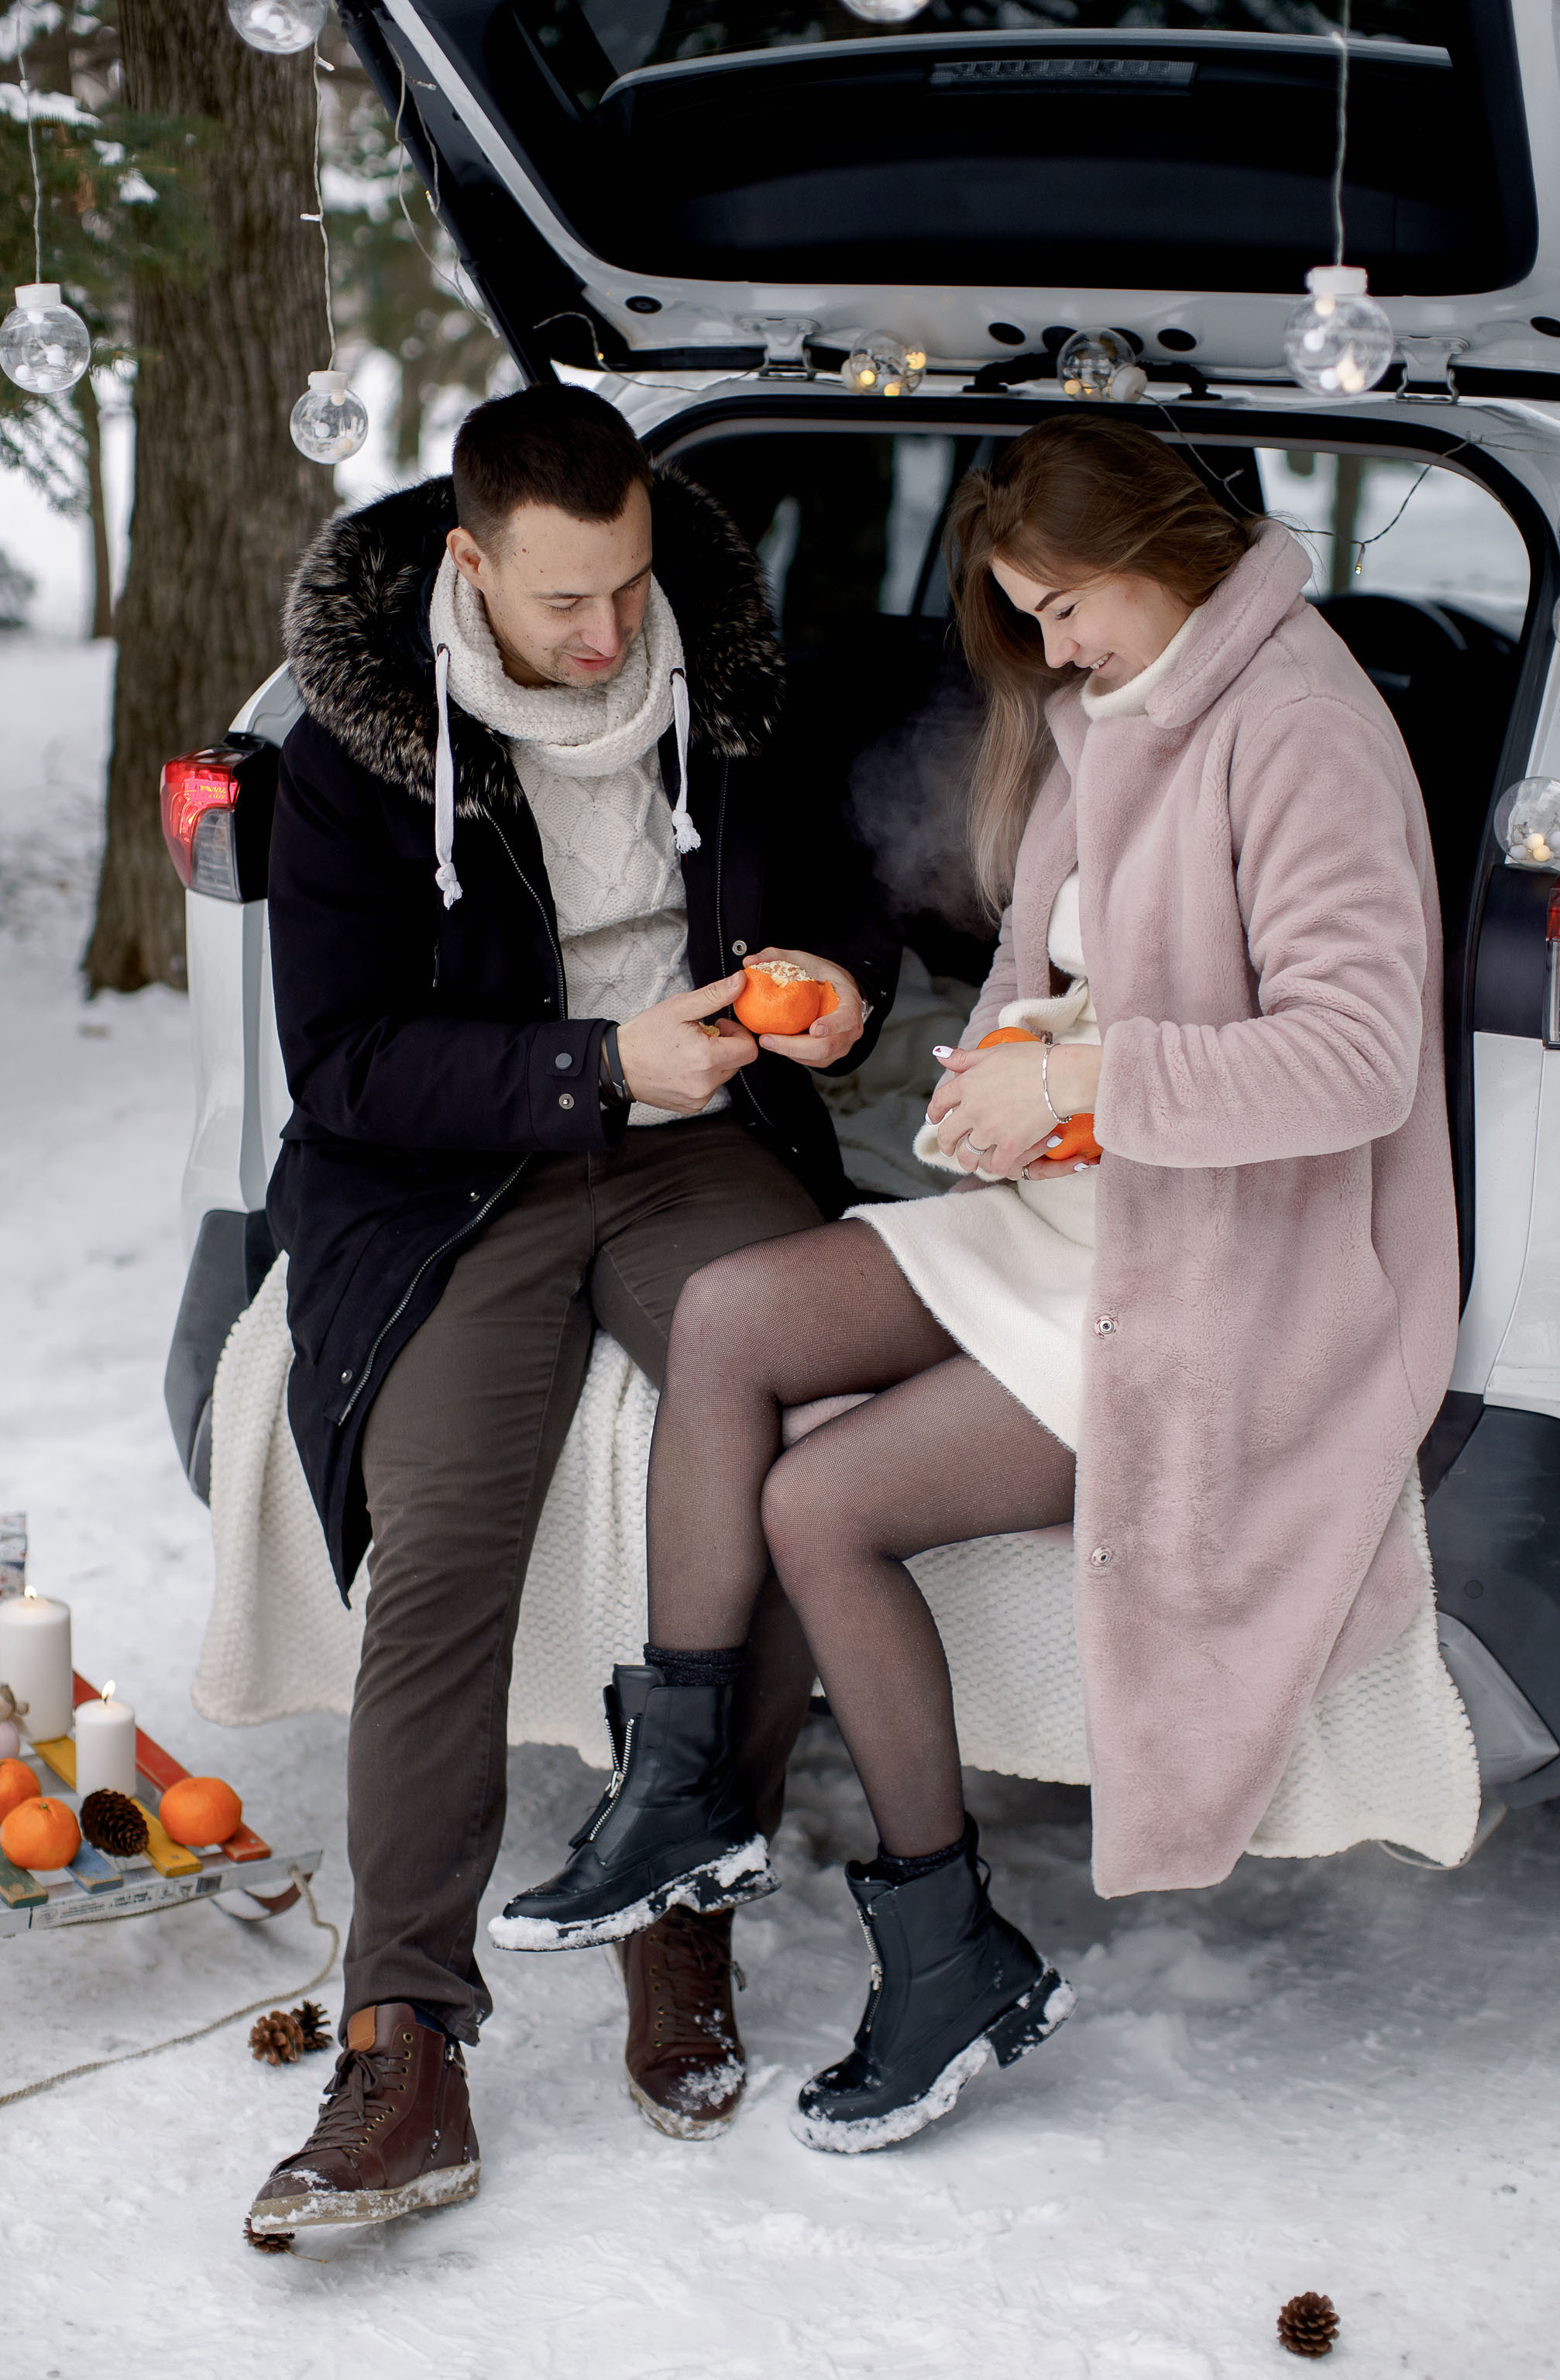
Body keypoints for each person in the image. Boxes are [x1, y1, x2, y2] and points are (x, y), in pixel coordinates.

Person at [489, 414, 1459, 2153]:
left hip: (1234, 1268)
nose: (1054, 650)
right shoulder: (1117, 711)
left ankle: (947, 1949)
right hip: (1096, 1212)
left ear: (1168, 548)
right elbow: (1038, 955)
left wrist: (1087, 1087)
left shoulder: (1306, 730)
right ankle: (687, 1790)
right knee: (730, 1321)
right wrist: (996, 1068)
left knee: (824, 1503)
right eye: (1027, 617)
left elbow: (1359, 1060)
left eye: (1066, 607)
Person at [245, 386, 897, 2241]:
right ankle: (405, 2048)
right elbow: (345, 1065)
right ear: (467, 565)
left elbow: (845, 899)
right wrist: (596, 1063)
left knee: (796, 1456)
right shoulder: (354, 756)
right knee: (444, 1551)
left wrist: (833, 990)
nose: (601, 633)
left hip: (701, 1147)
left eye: (622, 587)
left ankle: (676, 1894)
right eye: (556, 602)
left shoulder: (732, 684)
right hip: (464, 1173)